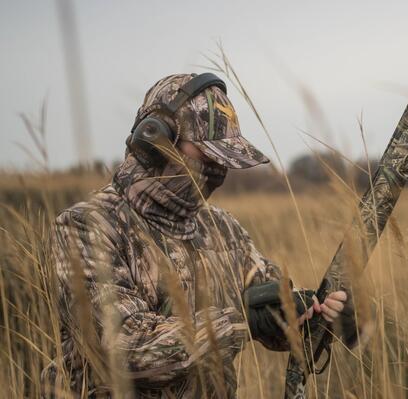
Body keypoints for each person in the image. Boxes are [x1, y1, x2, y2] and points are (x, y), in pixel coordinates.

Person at [42, 73, 355, 398]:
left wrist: (315, 314)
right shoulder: (85, 227)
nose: (218, 169)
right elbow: (124, 348)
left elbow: (269, 306)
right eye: (207, 154)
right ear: (154, 142)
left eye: (223, 159)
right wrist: (240, 321)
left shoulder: (223, 229)